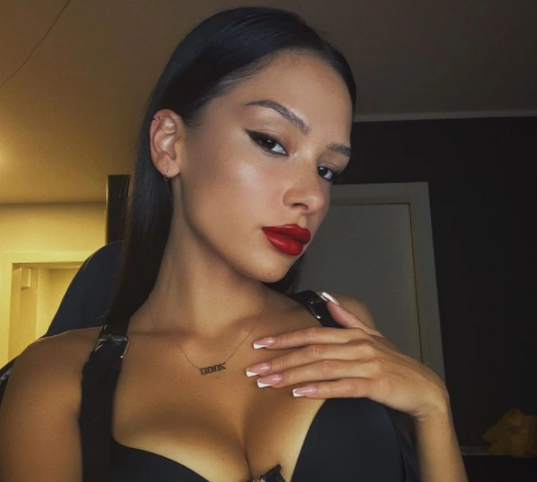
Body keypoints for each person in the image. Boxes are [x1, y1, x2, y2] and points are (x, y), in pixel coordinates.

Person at [0, 6, 467, 482]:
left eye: (327, 169)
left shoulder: (340, 325)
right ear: (170, 144)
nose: (311, 195)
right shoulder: (56, 376)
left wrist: (433, 408)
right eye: (272, 142)